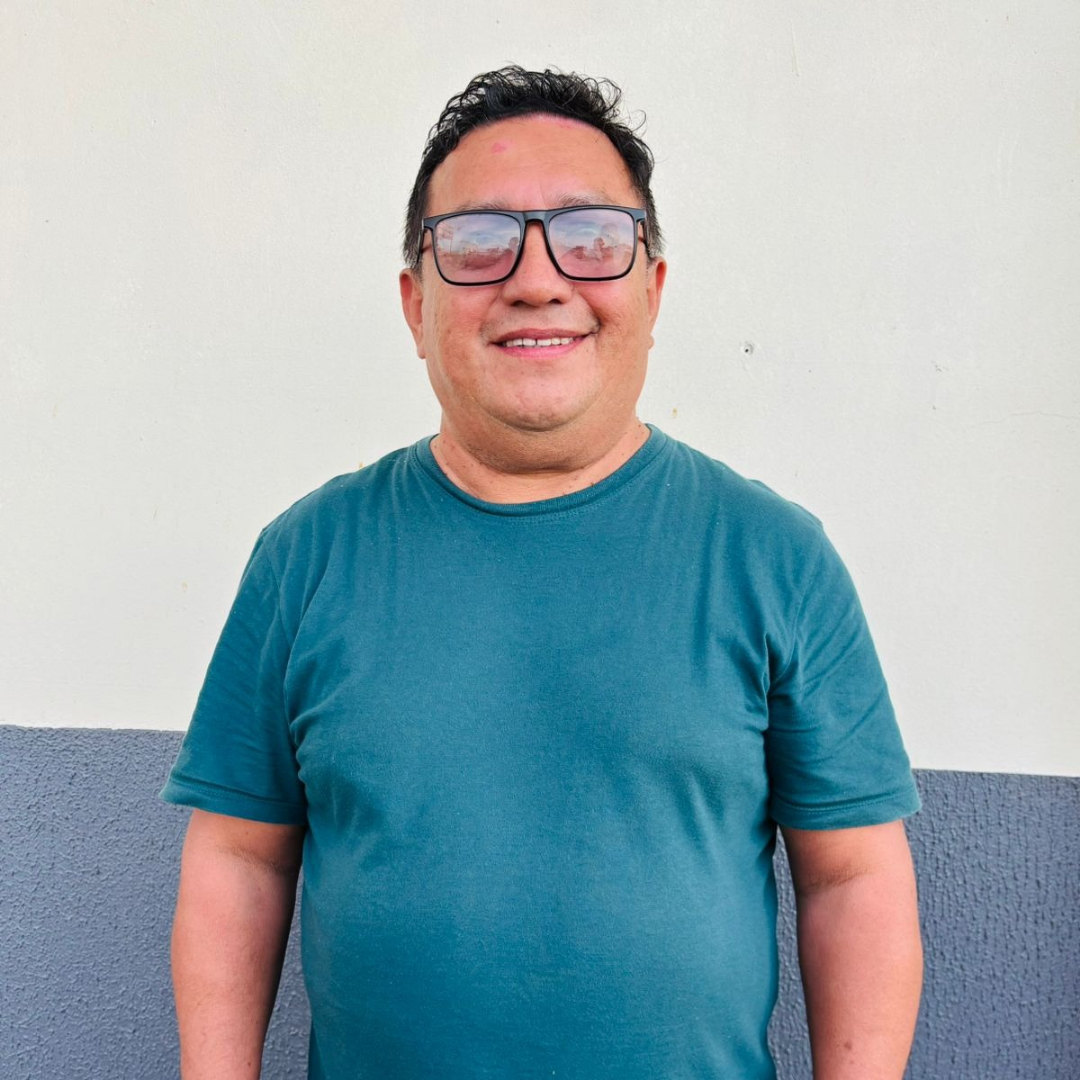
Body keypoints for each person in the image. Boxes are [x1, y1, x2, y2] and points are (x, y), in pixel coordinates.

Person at [163, 66, 923, 1080]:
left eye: (591, 238)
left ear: (652, 289)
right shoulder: (306, 557)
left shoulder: (775, 558)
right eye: (478, 243)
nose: (536, 280)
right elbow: (239, 860)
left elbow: (853, 880)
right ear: (414, 304)